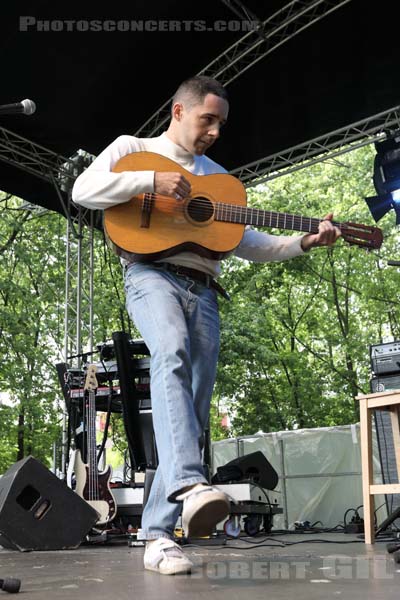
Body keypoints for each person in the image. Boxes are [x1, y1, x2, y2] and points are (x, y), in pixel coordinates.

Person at [72, 75, 341, 575]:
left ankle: (157, 536)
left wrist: (306, 241)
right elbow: (84, 190)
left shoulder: (219, 179)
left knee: (190, 411)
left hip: (205, 290)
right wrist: (147, 181)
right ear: (178, 112)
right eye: (207, 119)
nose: (215, 131)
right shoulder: (135, 150)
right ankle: (192, 485)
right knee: (169, 351)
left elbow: (250, 243)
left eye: (221, 123)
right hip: (150, 274)